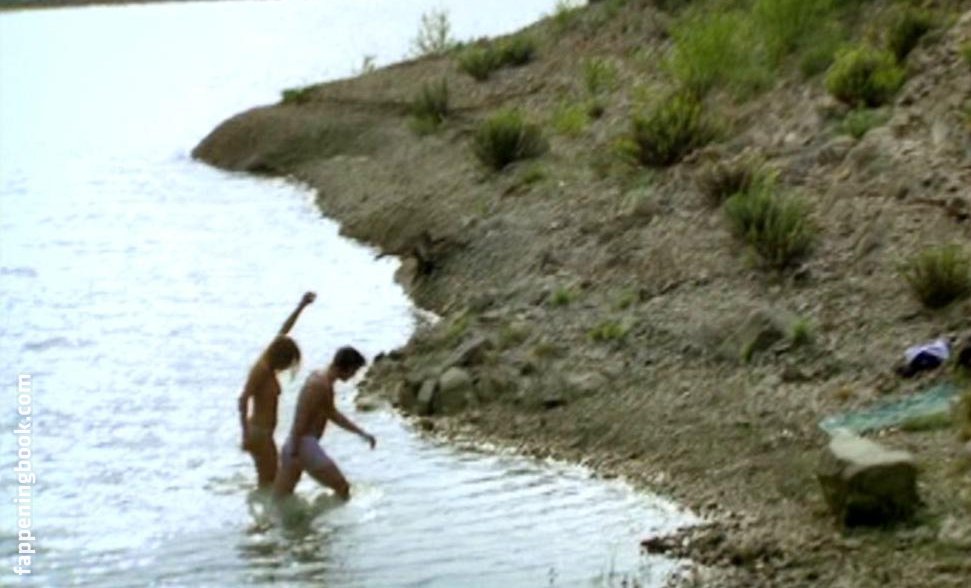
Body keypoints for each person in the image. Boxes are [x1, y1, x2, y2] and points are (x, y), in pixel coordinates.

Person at [273, 346, 374, 501]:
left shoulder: (322, 380)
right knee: (343, 489)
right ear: (347, 368)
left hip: (295, 444)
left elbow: (332, 414)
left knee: (280, 499)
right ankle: (324, 515)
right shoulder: (320, 385)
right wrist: (295, 449)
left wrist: (361, 433)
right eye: (354, 371)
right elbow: (302, 418)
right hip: (303, 445)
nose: (354, 376)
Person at [238, 291, 316, 489]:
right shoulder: (261, 370)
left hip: (264, 433)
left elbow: (284, 331)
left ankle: (258, 508)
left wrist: (301, 306)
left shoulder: (268, 361)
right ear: (280, 358)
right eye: (288, 363)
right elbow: (243, 398)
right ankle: (261, 511)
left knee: (268, 482)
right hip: (259, 434)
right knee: (270, 483)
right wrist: (245, 434)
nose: (287, 367)